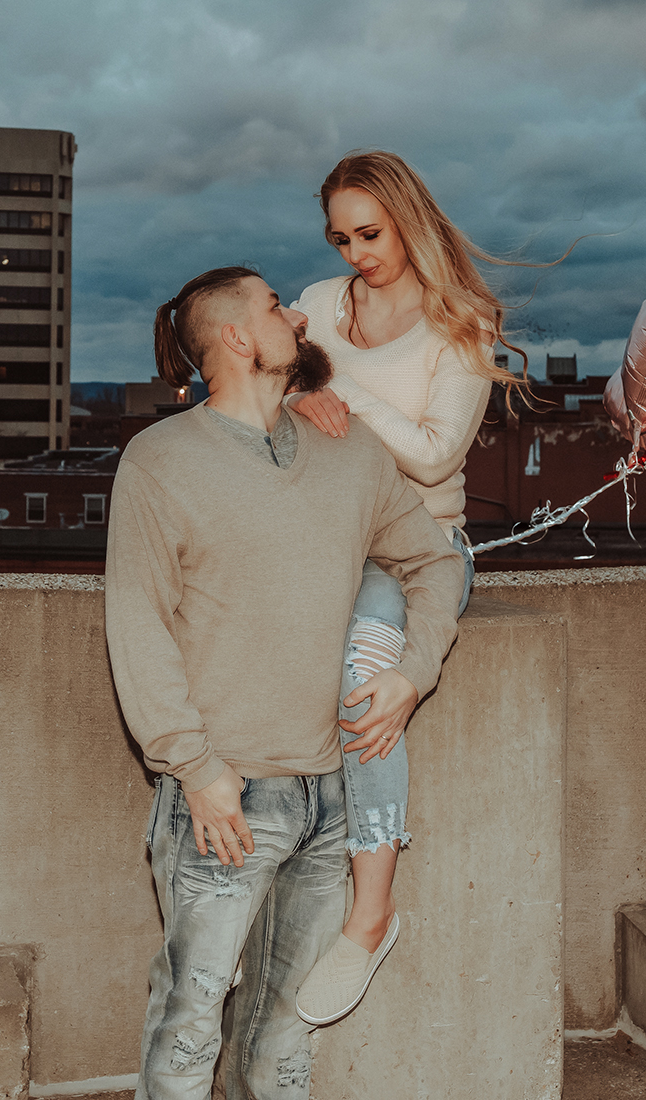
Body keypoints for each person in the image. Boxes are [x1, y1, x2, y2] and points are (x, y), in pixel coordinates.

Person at [107, 266, 465, 1099]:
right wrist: (197, 770)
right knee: (190, 1030)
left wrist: (413, 673)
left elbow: (434, 564)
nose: (296, 317)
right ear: (236, 337)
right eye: (275, 307)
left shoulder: (346, 450)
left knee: (286, 1040)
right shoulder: (159, 460)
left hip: (331, 797)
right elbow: (138, 626)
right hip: (225, 803)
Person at [288, 149, 535, 1026]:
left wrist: (333, 386)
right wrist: (297, 393)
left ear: (409, 220)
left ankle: (369, 914)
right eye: (340, 236)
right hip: (329, 540)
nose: (355, 253)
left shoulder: (461, 322)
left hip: (425, 548)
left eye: (370, 233)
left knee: (372, 674)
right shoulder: (317, 305)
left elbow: (434, 453)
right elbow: (261, 381)